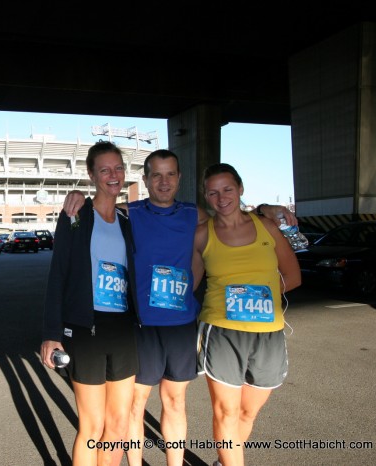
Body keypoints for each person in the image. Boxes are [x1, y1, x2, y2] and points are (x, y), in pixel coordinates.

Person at [62, 150, 294, 465]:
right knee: (134, 406)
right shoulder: (130, 212)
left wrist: (268, 208)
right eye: (156, 175)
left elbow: (230, 212)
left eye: (170, 174)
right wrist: (79, 196)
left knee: (175, 402)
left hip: (182, 326)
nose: (163, 181)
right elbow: (100, 204)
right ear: (145, 180)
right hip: (141, 325)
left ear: (179, 178)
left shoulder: (194, 215)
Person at [192, 163, 301, 466]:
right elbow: (189, 282)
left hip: (267, 333)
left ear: (240, 189)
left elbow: (292, 276)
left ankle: (224, 459)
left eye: (227, 189)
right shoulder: (202, 235)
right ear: (206, 196)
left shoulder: (266, 225)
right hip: (221, 332)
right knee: (226, 412)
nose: (221, 197)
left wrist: (257, 298)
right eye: (213, 192)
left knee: (247, 412)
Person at [41, 140, 140, 466]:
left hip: (122, 330)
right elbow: (58, 274)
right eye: (105, 169)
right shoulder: (76, 214)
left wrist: (270, 211)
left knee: (119, 426)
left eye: (118, 168)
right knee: (92, 426)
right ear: (92, 175)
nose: (113, 175)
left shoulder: (127, 221)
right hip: (85, 330)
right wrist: (51, 331)